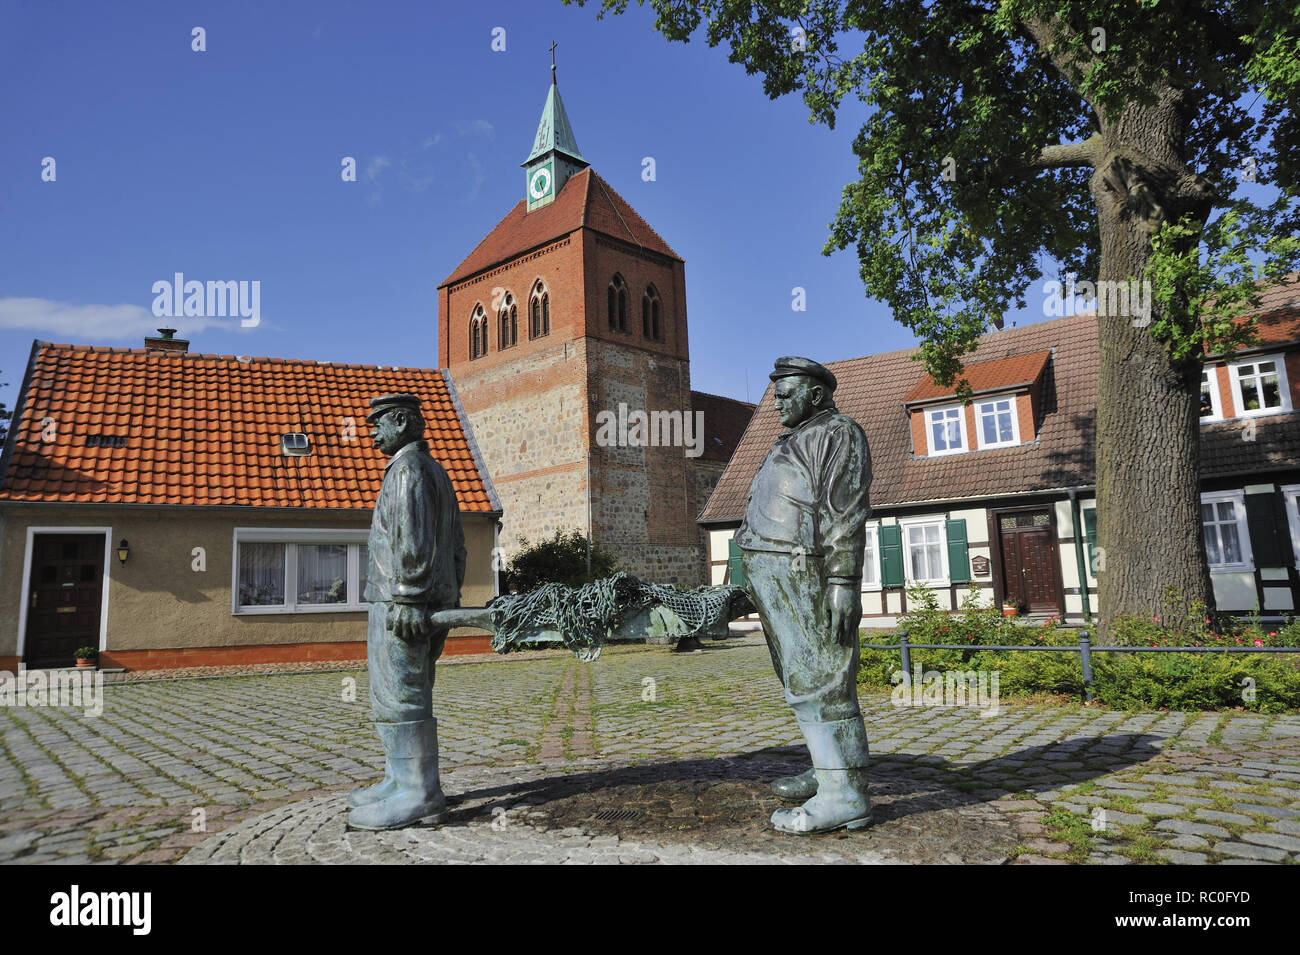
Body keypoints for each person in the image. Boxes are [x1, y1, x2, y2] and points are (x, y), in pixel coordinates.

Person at [735, 357, 873, 833]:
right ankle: (827, 768)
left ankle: (844, 794)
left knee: (822, 677)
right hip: (775, 572)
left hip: (804, 572)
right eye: (775, 390)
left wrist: (842, 581)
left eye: (786, 391)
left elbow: (846, 511)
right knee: (800, 676)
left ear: (816, 394)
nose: (776, 399)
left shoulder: (839, 433)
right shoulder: (795, 437)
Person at [347, 394, 467, 830]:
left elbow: (412, 541)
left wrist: (410, 596)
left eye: (378, 423)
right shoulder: (436, 470)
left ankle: (418, 791)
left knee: (399, 694)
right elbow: (457, 544)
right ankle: (399, 777)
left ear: (401, 421)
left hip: (402, 605)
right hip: (424, 600)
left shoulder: (408, 470)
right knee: (407, 691)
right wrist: (446, 593)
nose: (372, 433)